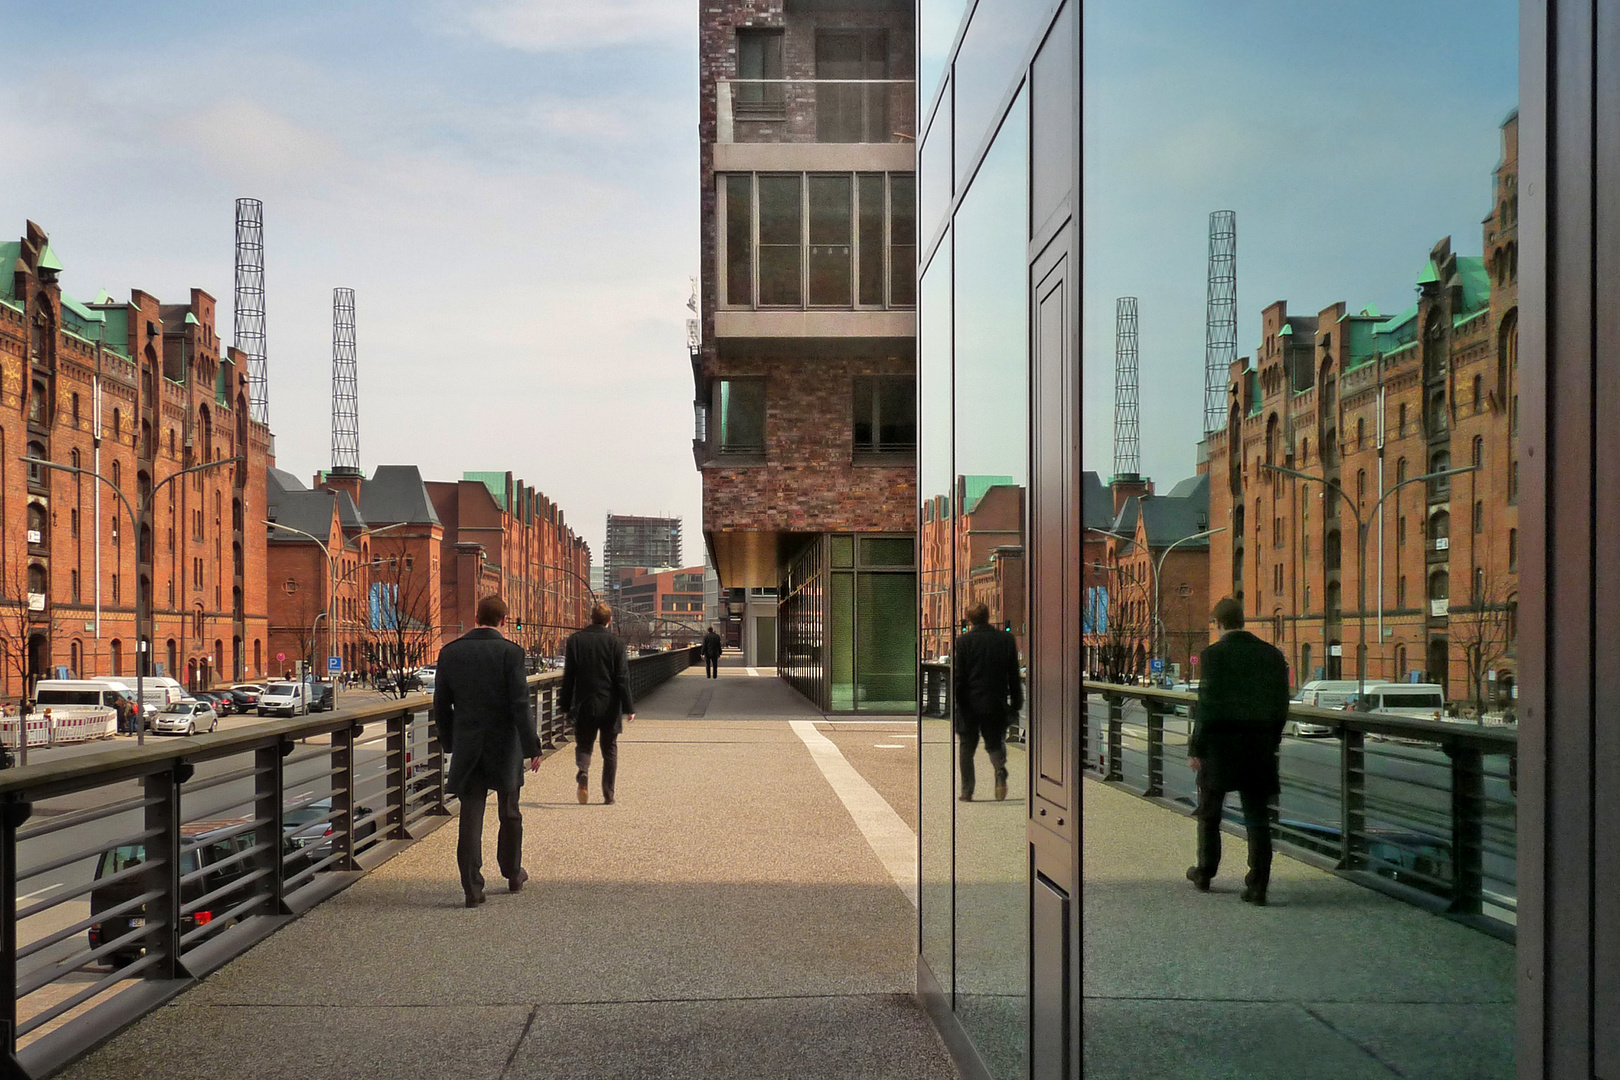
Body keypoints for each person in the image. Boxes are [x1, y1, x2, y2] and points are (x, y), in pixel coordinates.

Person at [433, 594, 543, 908]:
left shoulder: (450, 653)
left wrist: (450, 742)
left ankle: (472, 888)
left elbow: (441, 705)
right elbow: (520, 704)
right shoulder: (511, 653)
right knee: (509, 812)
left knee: (470, 816)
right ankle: (512, 873)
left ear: (477, 617)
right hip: (504, 745)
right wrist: (531, 746)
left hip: (468, 745)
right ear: (504, 621)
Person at [1186, 596, 1291, 906]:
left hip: (1220, 747)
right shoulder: (1271, 655)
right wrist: (1271, 740)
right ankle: (1258, 885)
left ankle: (1205, 872)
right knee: (1257, 817)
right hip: (1258, 747)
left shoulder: (1213, 656)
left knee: (1210, 813)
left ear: (1218, 624)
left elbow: (1208, 705)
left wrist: (1197, 747)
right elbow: (1280, 704)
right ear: (1242, 621)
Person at [560, 602, 635, 805]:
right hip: (610, 705)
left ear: (591, 618)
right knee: (609, 749)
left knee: (584, 744)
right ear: (609, 621)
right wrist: (629, 707)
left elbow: (569, 677)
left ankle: (583, 772)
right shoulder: (616, 644)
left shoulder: (575, 641)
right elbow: (622, 678)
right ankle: (608, 794)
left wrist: (565, 705)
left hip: (584, 703)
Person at [951, 602, 1023, 802]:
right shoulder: (1005, 639)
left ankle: (967, 790)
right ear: (988, 616)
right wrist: (1016, 702)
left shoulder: (963, 642)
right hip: (995, 702)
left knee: (966, 746)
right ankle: (1000, 770)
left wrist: (957, 702)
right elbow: (1013, 675)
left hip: (969, 704)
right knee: (994, 742)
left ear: (970, 619)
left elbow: (960, 677)